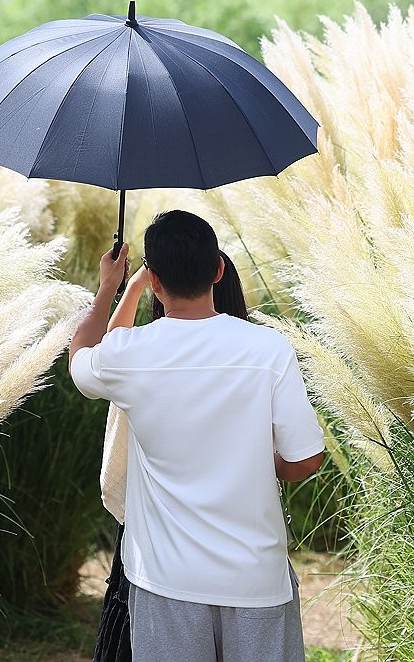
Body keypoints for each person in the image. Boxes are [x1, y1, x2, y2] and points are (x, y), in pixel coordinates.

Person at [70, 210, 325, 662]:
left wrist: (115, 286)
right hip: (256, 580)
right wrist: (256, 459)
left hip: (167, 582)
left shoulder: (131, 354)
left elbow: (84, 356)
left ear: (156, 282)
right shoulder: (268, 349)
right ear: (219, 268)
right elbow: (305, 460)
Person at [92, 249, 249, 662]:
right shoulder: (256, 354)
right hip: (239, 542)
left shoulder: (142, 357)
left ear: (160, 286)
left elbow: (104, 347)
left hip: (153, 544)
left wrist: (123, 285)